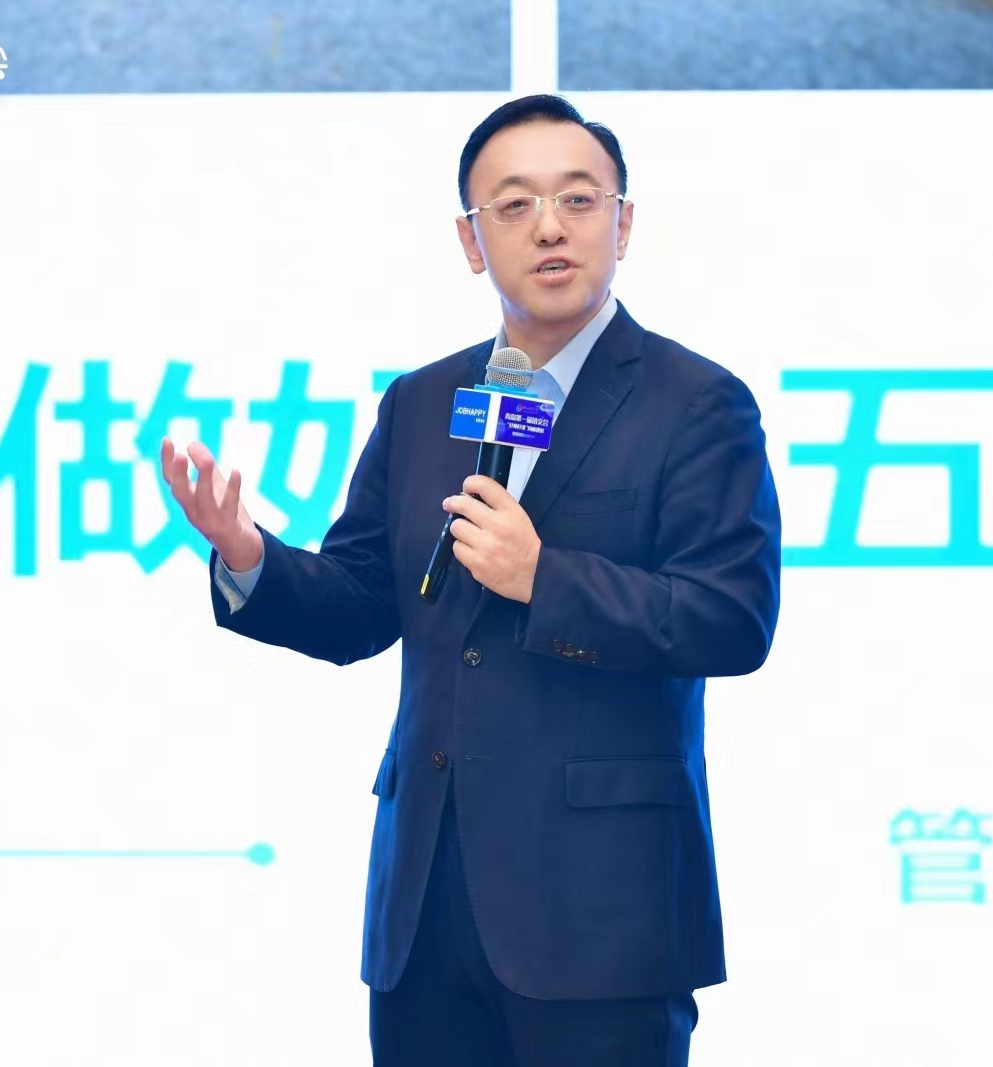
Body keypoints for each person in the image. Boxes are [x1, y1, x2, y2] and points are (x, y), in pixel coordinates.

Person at [160, 94, 781, 1067]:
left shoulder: (695, 402)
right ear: (469, 239)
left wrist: (544, 578)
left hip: (600, 913)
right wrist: (248, 554)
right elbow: (364, 603)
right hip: (428, 904)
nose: (549, 226)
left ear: (623, 223)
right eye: (515, 203)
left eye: (578, 199)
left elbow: (730, 616)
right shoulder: (422, 403)